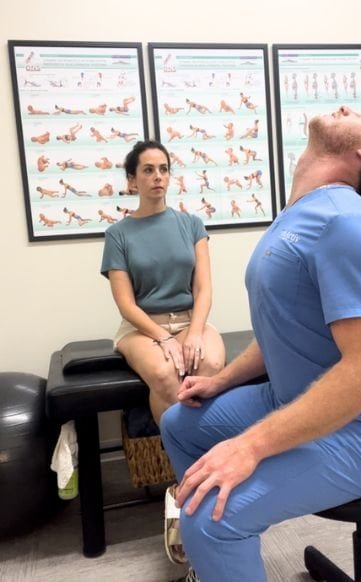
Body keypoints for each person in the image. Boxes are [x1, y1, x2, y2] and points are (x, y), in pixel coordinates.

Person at [158, 106, 361, 582]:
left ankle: (218, 538)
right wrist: (221, 380)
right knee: (180, 423)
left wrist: (251, 446)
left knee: (209, 519)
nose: (352, 105)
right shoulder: (301, 214)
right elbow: (284, 328)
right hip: (292, 395)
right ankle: (223, 561)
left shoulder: (346, 225)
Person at [101, 141, 226, 566]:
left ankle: (212, 466)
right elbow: (126, 304)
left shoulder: (191, 223)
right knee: (165, 373)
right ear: (132, 180)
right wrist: (165, 338)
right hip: (142, 326)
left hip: (192, 318)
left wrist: (191, 331)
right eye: (148, 170)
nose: (157, 177)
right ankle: (185, 478)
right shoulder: (118, 234)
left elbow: (204, 288)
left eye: (164, 169)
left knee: (210, 365)